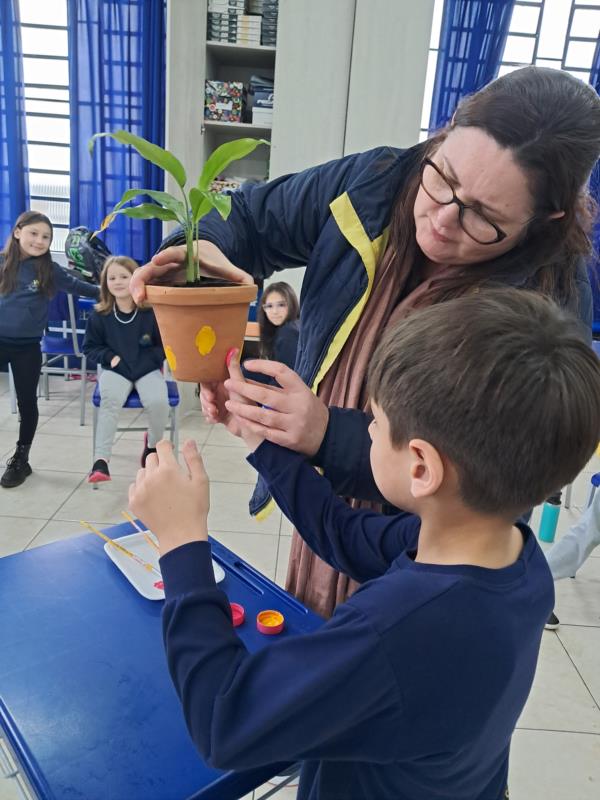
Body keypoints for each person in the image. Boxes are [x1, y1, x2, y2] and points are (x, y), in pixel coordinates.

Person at [131, 66, 600, 617]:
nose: (442, 220)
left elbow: (495, 473)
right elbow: (251, 220)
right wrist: (202, 251)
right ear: (447, 130)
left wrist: (326, 434)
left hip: (424, 549)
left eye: (484, 217)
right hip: (328, 515)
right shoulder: (374, 183)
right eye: (443, 177)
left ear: (549, 215)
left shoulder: (549, 300)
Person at [128, 290, 600, 800]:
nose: (367, 431)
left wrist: (180, 543)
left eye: (375, 422)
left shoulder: (398, 632)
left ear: (421, 467)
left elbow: (225, 721)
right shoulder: (510, 551)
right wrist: (259, 438)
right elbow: (347, 535)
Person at [0, 211, 99, 489]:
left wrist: (116, 290)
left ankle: (21, 458)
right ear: (18, 232)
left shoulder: (49, 271)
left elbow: (82, 287)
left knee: (27, 402)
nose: (39, 240)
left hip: (27, 347)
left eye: (46, 237)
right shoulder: (2, 262)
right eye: (34, 233)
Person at [83, 256, 168, 483]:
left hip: (146, 369)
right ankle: (100, 461)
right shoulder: (99, 315)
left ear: (135, 279)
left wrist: (147, 361)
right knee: (110, 401)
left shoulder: (151, 312)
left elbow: (165, 346)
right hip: (116, 369)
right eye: (112, 278)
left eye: (124, 276)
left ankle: (151, 447)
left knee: (159, 402)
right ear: (105, 283)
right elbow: (89, 347)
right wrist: (109, 357)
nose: (118, 282)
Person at [243, 281, 300, 384]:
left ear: (291, 304)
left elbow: (286, 381)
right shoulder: (289, 327)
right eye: (269, 306)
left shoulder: (288, 332)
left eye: (281, 305)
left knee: (246, 368)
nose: (275, 311)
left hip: (289, 392)